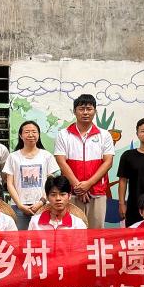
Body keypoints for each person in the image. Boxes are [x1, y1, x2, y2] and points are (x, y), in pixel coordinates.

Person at [54, 94, 115, 229]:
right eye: (81, 109)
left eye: (89, 109)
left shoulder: (104, 135)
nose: (85, 112)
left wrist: (88, 184)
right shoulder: (63, 134)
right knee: (72, 231)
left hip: (97, 192)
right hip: (71, 192)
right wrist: (79, 187)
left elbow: (108, 162)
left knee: (96, 231)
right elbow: (61, 162)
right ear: (74, 111)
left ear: (95, 111)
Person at [4, 121, 60, 230]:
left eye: (34, 132)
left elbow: (51, 184)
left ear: (38, 135)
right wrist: (20, 205)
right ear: (21, 135)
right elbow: (10, 184)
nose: (30, 134)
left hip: (44, 206)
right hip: (19, 207)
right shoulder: (13, 157)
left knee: (43, 238)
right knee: (21, 237)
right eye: (27, 132)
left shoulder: (47, 156)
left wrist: (41, 202)